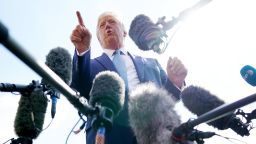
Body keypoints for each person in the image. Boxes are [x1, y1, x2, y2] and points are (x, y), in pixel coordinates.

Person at [70, 11, 188, 144]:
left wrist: (175, 83)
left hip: (157, 136)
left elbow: (167, 101)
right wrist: (82, 51)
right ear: (98, 38)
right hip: (110, 136)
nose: (107, 26)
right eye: (102, 25)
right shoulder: (90, 66)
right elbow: (79, 84)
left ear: (124, 32)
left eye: (112, 22)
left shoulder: (152, 63)